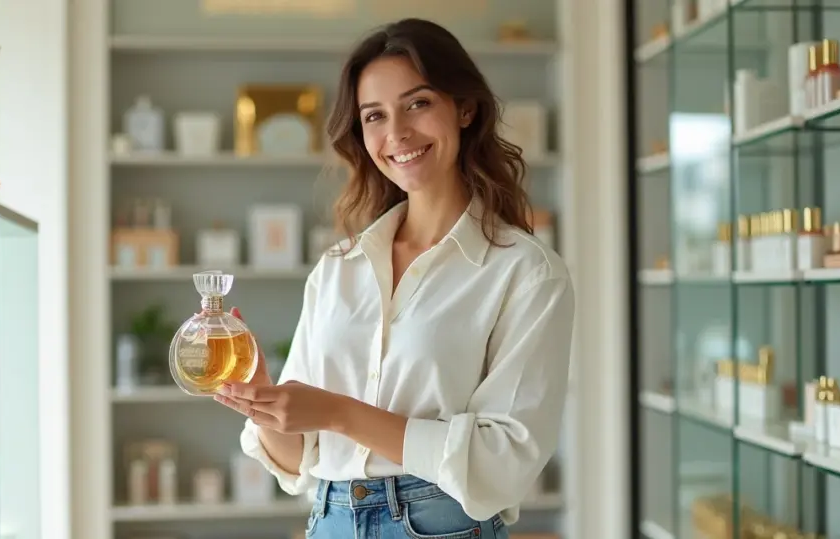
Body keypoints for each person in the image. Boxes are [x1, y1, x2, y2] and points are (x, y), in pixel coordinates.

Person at [214, 17, 574, 539]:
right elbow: (297, 465)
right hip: (330, 520)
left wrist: (338, 413)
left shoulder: (525, 272)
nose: (397, 133)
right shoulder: (339, 268)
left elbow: (503, 463)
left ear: (465, 109)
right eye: (374, 116)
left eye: (418, 104)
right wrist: (265, 401)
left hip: (443, 525)